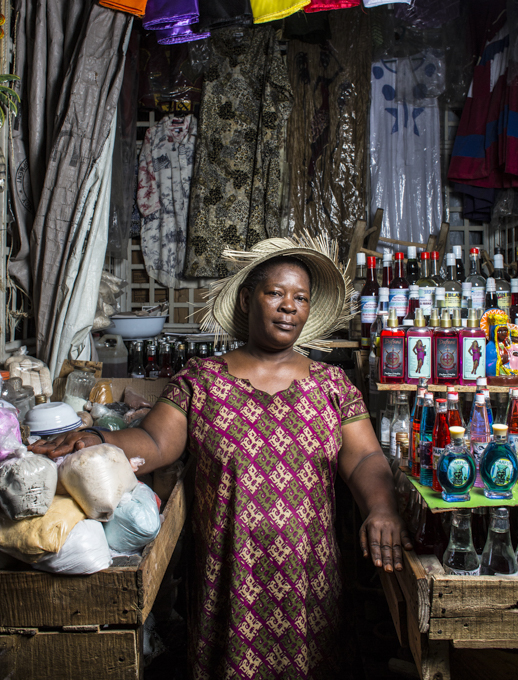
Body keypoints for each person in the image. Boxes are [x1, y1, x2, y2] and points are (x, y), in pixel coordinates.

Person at [32, 234, 411, 679]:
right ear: (249, 299)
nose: (289, 306)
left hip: (309, 580)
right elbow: (154, 443)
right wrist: (99, 438)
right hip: (230, 578)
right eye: (275, 293)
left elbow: (365, 458)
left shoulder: (332, 384)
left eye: (300, 298)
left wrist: (382, 507)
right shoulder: (201, 380)